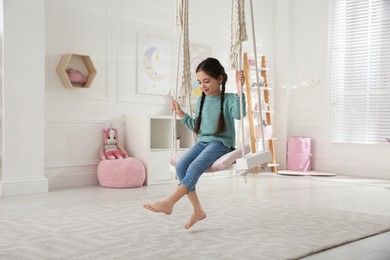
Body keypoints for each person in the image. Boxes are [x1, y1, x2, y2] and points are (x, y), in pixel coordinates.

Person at [144, 57, 246, 229]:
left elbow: (238, 114)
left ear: (220, 79)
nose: (203, 86)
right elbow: (197, 127)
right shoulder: (201, 101)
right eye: (199, 82)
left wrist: (240, 89)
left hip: (220, 144)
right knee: (181, 165)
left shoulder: (229, 99)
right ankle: (198, 211)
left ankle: (170, 201)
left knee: (194, 166)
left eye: (206, 81)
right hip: (203, 143)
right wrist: (181, 113)